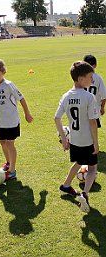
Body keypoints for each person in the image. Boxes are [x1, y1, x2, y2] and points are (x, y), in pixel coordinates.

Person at [55, 61, 100, 213]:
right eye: (90, 77)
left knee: (78, 162)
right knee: (92, 168)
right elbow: (93, 122)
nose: (92, 80)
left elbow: (56, 118)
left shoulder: (66, 96)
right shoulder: (89, 97)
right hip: (87, 140)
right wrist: (96, 143)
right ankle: (85, 194)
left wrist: (64, 138)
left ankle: (65, 186)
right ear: (81, 79)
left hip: (74, 139)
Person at [0, 58, 33, 180]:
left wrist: (27, 114)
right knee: (3, 143)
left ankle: (12, 170)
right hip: (1, 122)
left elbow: (21, 98)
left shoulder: (8, 85)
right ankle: (8, 163)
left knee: (10, 143)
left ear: (3, 72)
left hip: (11, 120)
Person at [83, 54, 106, 128]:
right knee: (94, 130)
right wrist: (102, 107)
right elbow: (104, 95)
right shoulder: (98, 78)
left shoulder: (81, 78)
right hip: (95, 109)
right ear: (95, 65)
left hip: (83, 107)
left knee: (84, 129)